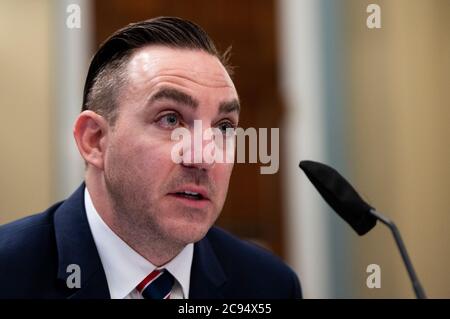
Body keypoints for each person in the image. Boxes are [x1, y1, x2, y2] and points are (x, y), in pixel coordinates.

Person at [0, 16, 301, 299]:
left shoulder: (269, 285)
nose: (205, 157)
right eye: (170, 120)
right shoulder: (9, 272)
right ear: (95, 140)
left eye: (223, 127)